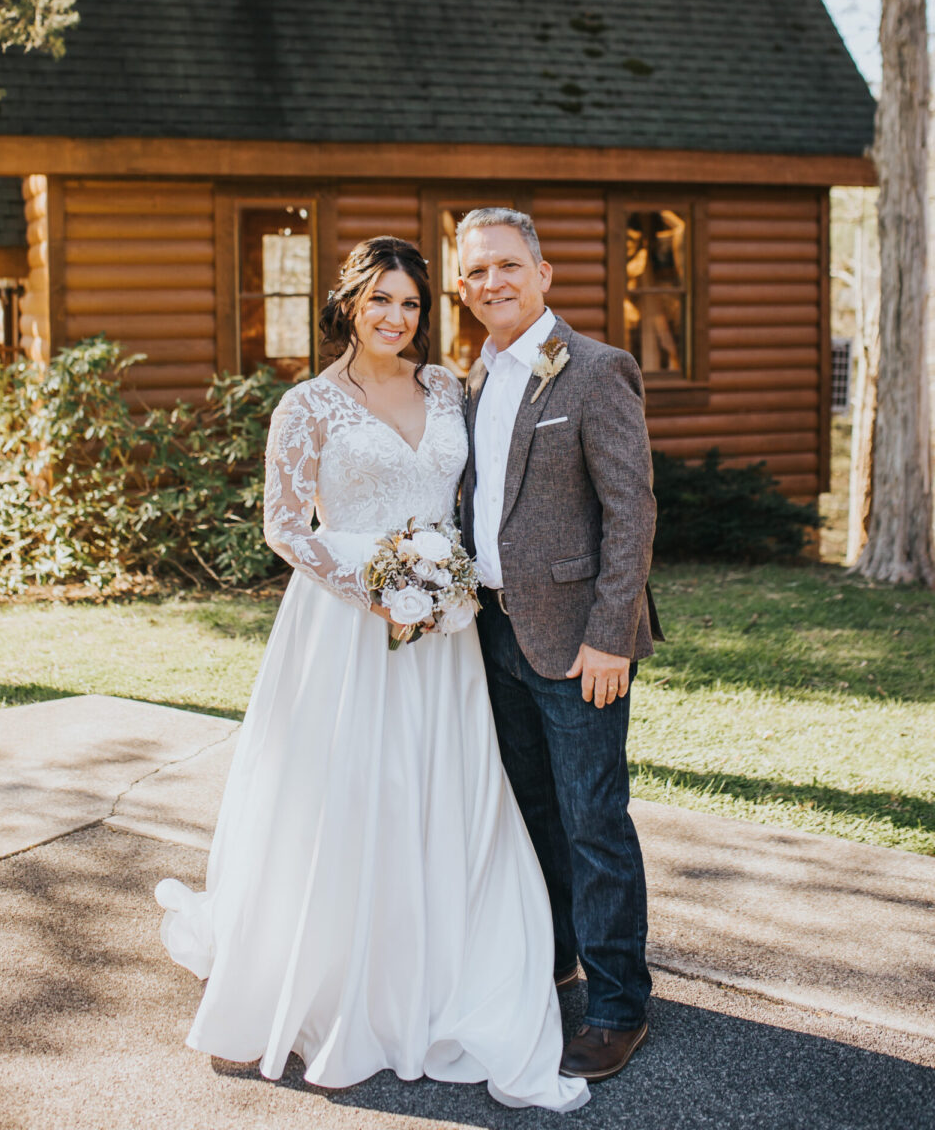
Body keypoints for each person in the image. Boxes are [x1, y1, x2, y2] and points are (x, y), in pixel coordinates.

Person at [154, 236, 588, 1113]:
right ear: (349, 302)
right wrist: (377, 588)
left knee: (445, 788)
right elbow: (283, 525)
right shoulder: (308, 404)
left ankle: (452, 970)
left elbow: (470, 497)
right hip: (347, 626)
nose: (397, 318)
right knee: (347, 792)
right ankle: (337, 979)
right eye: (381, 300)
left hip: (445, 630)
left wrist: (438, 582)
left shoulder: (443, 388)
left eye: (413, 304)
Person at [456, 207, 660, 1084]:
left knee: (594, 824)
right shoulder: (473, 376)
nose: (491, 283)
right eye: (474, 273)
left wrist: (611, 637)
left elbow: (633, 511)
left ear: (543, 274)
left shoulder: (597, 370)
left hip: (581, 645)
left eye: (507, 266)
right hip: (494, 634)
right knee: (533, 814)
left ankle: (618, 1007)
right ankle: (558, 957)